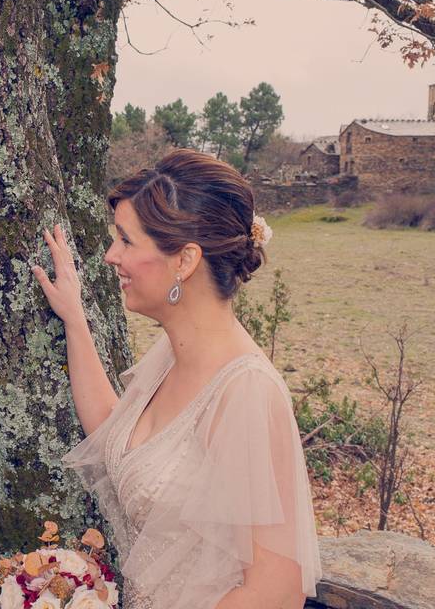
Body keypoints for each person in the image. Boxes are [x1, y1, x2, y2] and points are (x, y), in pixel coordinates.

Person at [32, 149, 321, 609]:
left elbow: (276, 591)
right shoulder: (173, 354)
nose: (111, 256)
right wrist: (74, 318)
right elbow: (114, 430)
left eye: (126, 241)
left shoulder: (246, 391)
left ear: (185, 260)